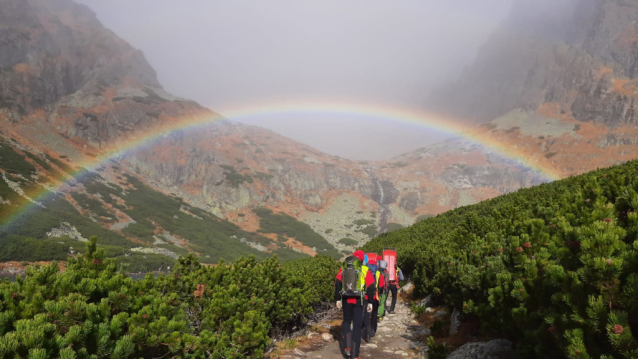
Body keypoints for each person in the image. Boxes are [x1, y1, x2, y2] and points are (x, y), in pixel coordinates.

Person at [335, 250, 376, 359]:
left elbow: (338, 283)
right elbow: (371, 287)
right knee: (357, 325)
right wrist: (371, 302)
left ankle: (347, 348)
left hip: (345, 299)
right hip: (359, 300)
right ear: (362, 259)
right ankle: (355, 354)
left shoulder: (343, 268)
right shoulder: (364, 269)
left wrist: (338, 299)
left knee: (347, 321)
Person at [362, 255, 384, 341]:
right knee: (374, 314)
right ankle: (373, 330)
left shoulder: (365, 272)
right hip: (376, 297)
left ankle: (366, 330)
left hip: (367, 297)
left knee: (366, 315)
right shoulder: (379, 274)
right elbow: (381, 286)